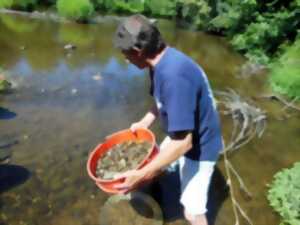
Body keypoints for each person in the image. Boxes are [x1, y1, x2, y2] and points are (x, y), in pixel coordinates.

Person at [113, 14, 224, 225]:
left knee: (193, 211)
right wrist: (146, 121)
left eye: (124, 53)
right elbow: (160, 100)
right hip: (182, 133)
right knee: (157, 163)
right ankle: (158, 189)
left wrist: (141, 175)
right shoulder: (159, 63)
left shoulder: (174, 76)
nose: (124, 58)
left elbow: (184, 143)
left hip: (200, 147)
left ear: (138, 52)